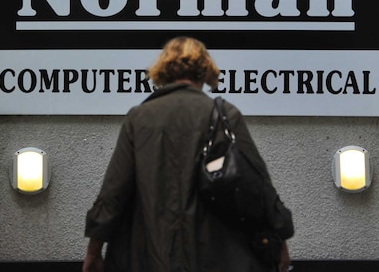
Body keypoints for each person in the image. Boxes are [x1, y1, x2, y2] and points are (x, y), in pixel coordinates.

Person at [83, 36, 294, 272]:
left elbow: (114, 191)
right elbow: (259, 186)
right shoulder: (224, 116)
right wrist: (280, 239)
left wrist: (94, 250)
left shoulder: (139, 118)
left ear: (163, 70)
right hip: (216, 255)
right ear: (205, 71)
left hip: (152, 255)